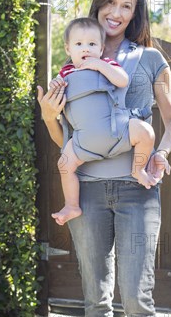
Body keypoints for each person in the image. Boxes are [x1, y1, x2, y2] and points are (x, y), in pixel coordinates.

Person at [37, 0, 171, 317]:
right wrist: (47, 116)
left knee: (137, 299)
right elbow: (68, 137)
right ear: (98, 4)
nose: (117, 13)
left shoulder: (149, 59)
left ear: (135, 12)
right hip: (90, 192)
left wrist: (159, 152)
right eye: (111, 3)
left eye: (127, 5)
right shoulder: (76, 61)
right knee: (96, 299)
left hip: (138, 190)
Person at [51, 16, 158, 226]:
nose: (86, 49)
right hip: (83, 141)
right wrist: (54, 87)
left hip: (116, 129)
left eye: (92, 44)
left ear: (101, 49)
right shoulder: (64, 73)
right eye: (79, 44)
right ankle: (72, 205)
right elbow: (57, 103)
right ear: (68, 49)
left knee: (146, 132)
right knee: (64, 165)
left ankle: (138, 169)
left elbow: (123, 80)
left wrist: (100, 65)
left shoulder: (107, 64)